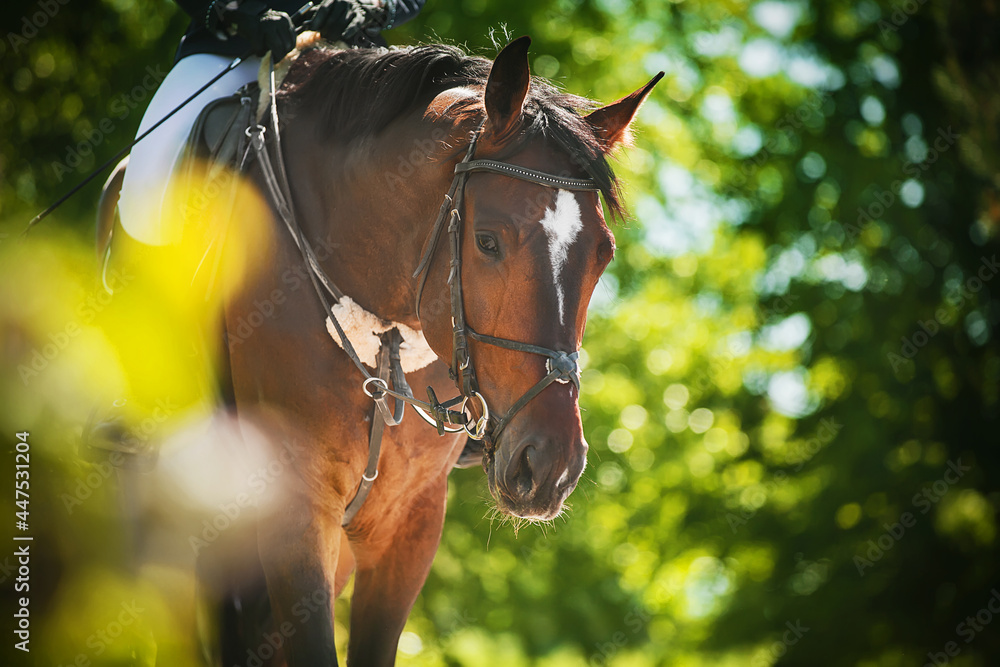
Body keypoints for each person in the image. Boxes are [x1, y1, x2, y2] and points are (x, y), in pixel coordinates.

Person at [117, 0, 425, 246]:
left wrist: (369, 5)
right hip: (238, 46)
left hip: (349, 47)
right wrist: (242, 12)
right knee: (149, 176)